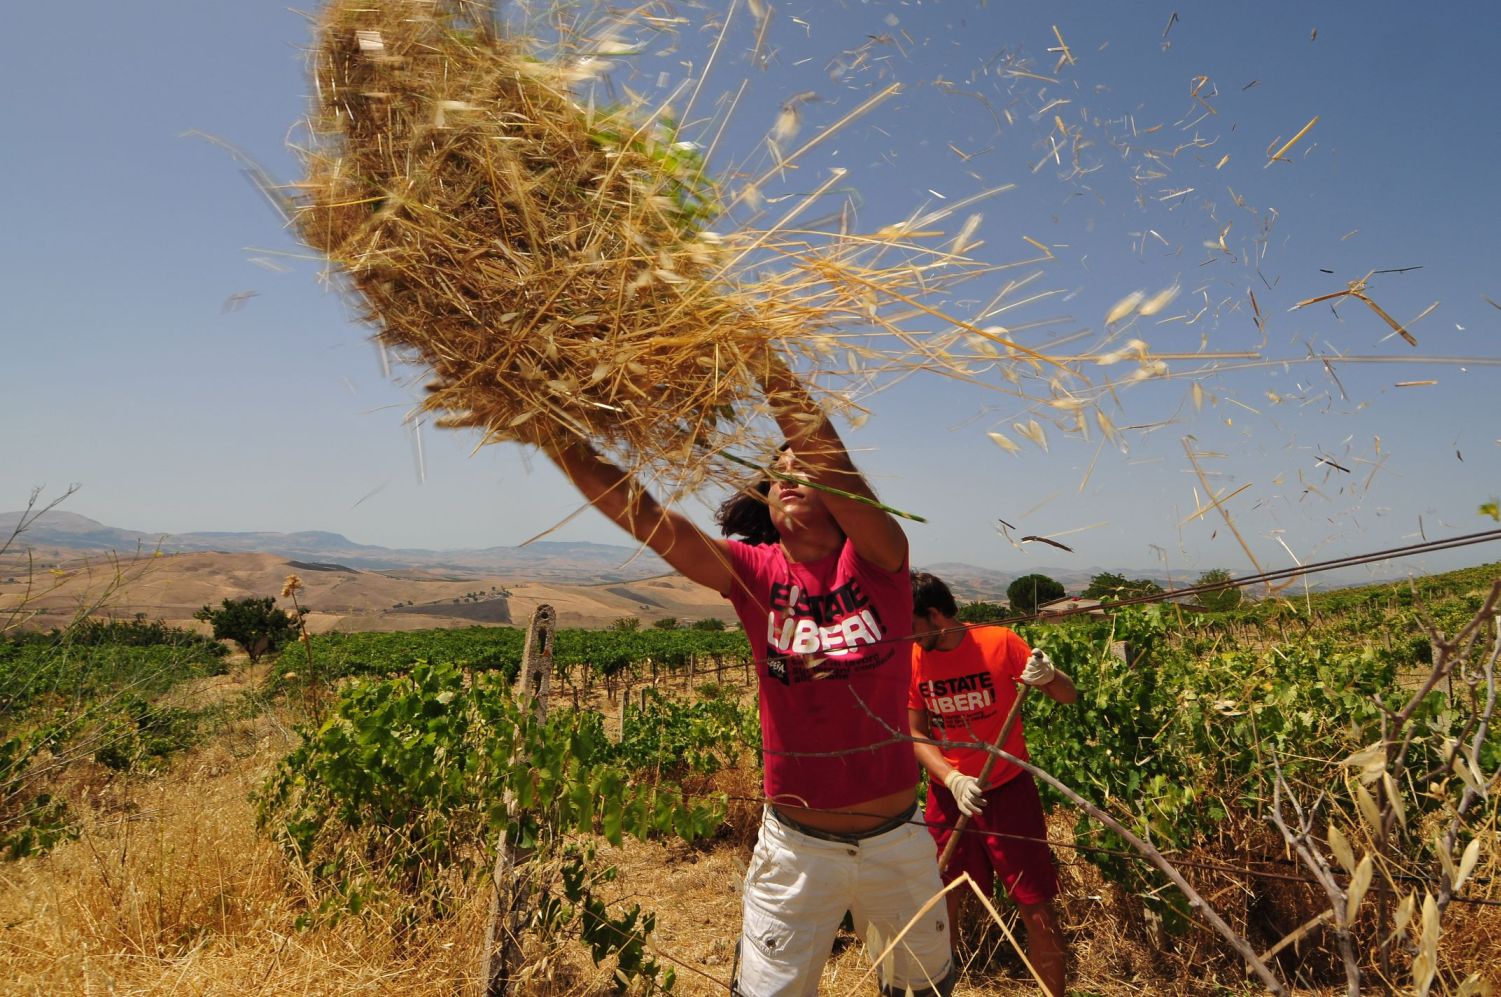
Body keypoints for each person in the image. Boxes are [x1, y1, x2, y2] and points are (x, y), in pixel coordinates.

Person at [535, 358, 953, 997]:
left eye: (805, 465)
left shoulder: (880, 559)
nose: (790, 473)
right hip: (796, 850)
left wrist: (762, 360)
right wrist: (552, 435)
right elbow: (649, 518)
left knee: (922, 990)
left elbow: (833, 458)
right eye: (779, 469)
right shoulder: (752, 573)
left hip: (897, 841)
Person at [907, 570, 1076, 997]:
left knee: (1035, 905)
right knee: (941, 900)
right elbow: (915, 733)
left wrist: (1048, 676)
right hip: (949, 795)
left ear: (934, 615)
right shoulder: (914, 657)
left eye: (912, 625)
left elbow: (1067, 694)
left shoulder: (999, 642)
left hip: (1008, 790)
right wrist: (951, 778)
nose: (908, 636)